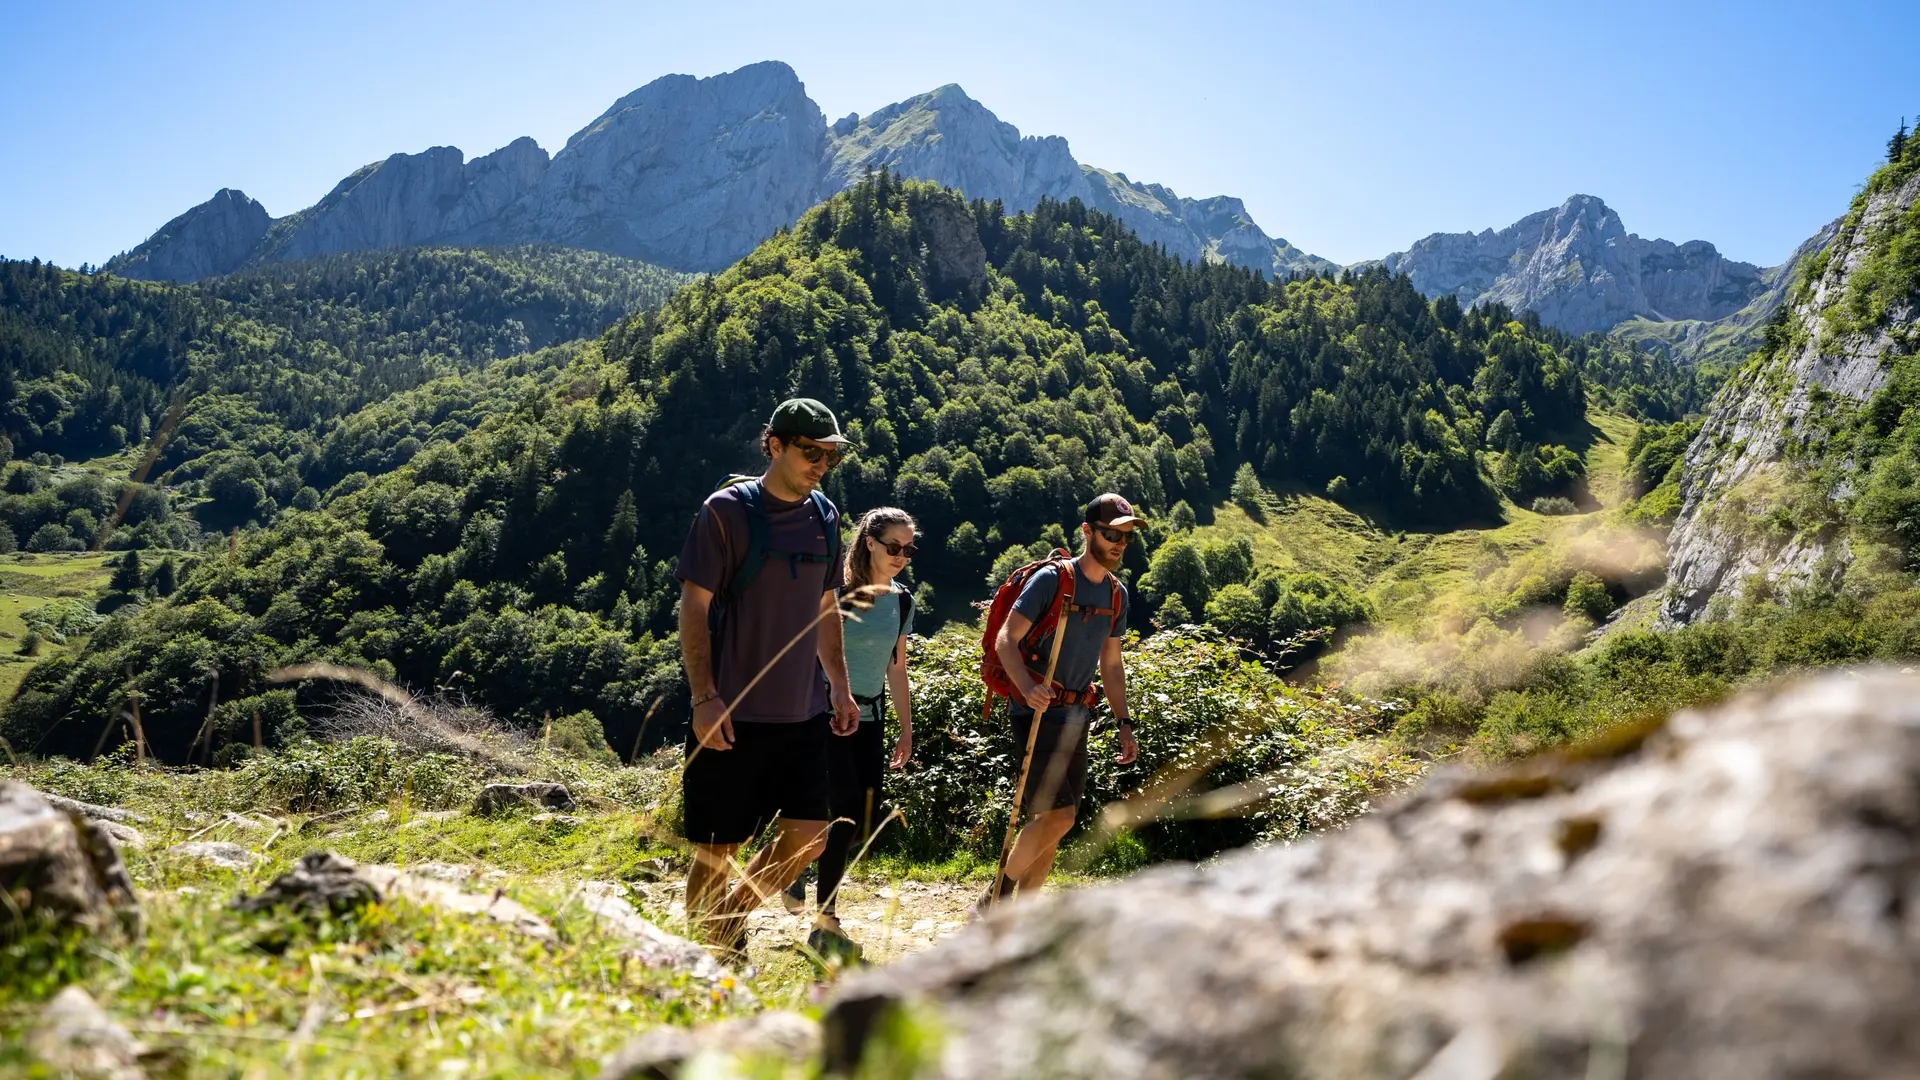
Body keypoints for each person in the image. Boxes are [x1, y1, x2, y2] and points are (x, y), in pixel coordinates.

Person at [673, 397, 861, 962]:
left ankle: (730, 917)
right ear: (774, 445)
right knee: (716, 848)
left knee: (809, 836)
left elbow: (828, 608)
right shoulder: (726, 512)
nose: (821, 464)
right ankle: (708, 960)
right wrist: (705, 697)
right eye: (810, 452)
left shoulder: (825, 516)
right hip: (731, 711)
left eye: (829, 455)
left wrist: (840, 686)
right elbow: (693, 607)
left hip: (801, 712)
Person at [985, 493, 1141, 907]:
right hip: (1036, 708)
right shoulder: (1053, 580)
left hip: (1077, 712)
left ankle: (1020, 918)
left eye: (1125, 538)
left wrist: (1124, 723)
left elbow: (1111, 664)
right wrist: (1025, 687)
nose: (1119, 544)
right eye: (1111, 535)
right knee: (1060, 816)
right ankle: (994, 900)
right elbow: (1006, 639)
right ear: (1087, 531)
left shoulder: (1116, 594)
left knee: (1050, 823)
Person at [783, 507, 919, 961]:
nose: (901, 556)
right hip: (828, 714)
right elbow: (809, 652)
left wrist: (906, 729)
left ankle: (796, 857)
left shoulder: (901, 601)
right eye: (893, 546)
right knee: (841, 813)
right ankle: (827, 921)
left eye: (908, 548)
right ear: (869, 543)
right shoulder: (841, 595)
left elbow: (896, 669)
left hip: (872, 717)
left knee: (862, 816)